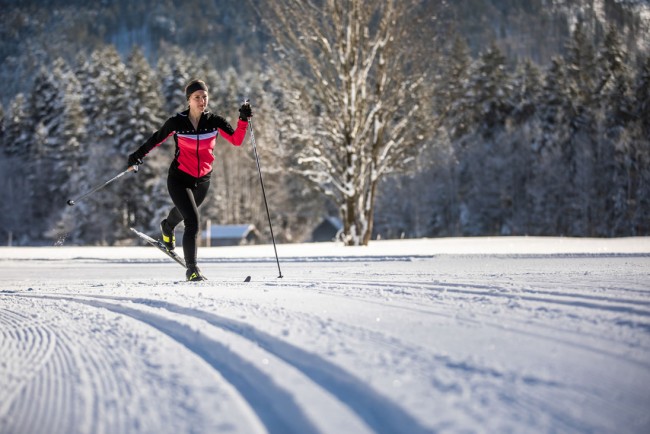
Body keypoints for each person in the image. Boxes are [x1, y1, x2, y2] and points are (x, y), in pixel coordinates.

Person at [128, 79, 252, 281]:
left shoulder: (214, 122)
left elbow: (236, 140)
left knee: (184, 211)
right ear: (188, 100)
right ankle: (192, 269)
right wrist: (137, 156)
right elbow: (156, 138)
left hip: (203, 180)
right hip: (179, 178)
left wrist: (243, 120)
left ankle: (167, 227)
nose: (202, 101)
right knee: (192, 222)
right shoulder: (177, 122)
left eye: (205, 97)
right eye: (197, 97)